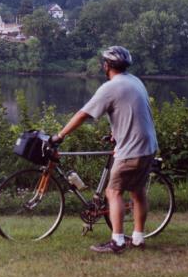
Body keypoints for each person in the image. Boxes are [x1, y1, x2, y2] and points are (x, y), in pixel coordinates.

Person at [50, 45, 158, 254]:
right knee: (137, 191)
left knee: (113, 191)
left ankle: (117, 241)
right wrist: (117, 134)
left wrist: (60, 135)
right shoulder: (135, 81)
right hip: (149, 146)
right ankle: (138, 238)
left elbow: (83, 115)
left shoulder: (110, 87)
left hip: (131, 149)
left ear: (106, 66)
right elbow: (133, 112)